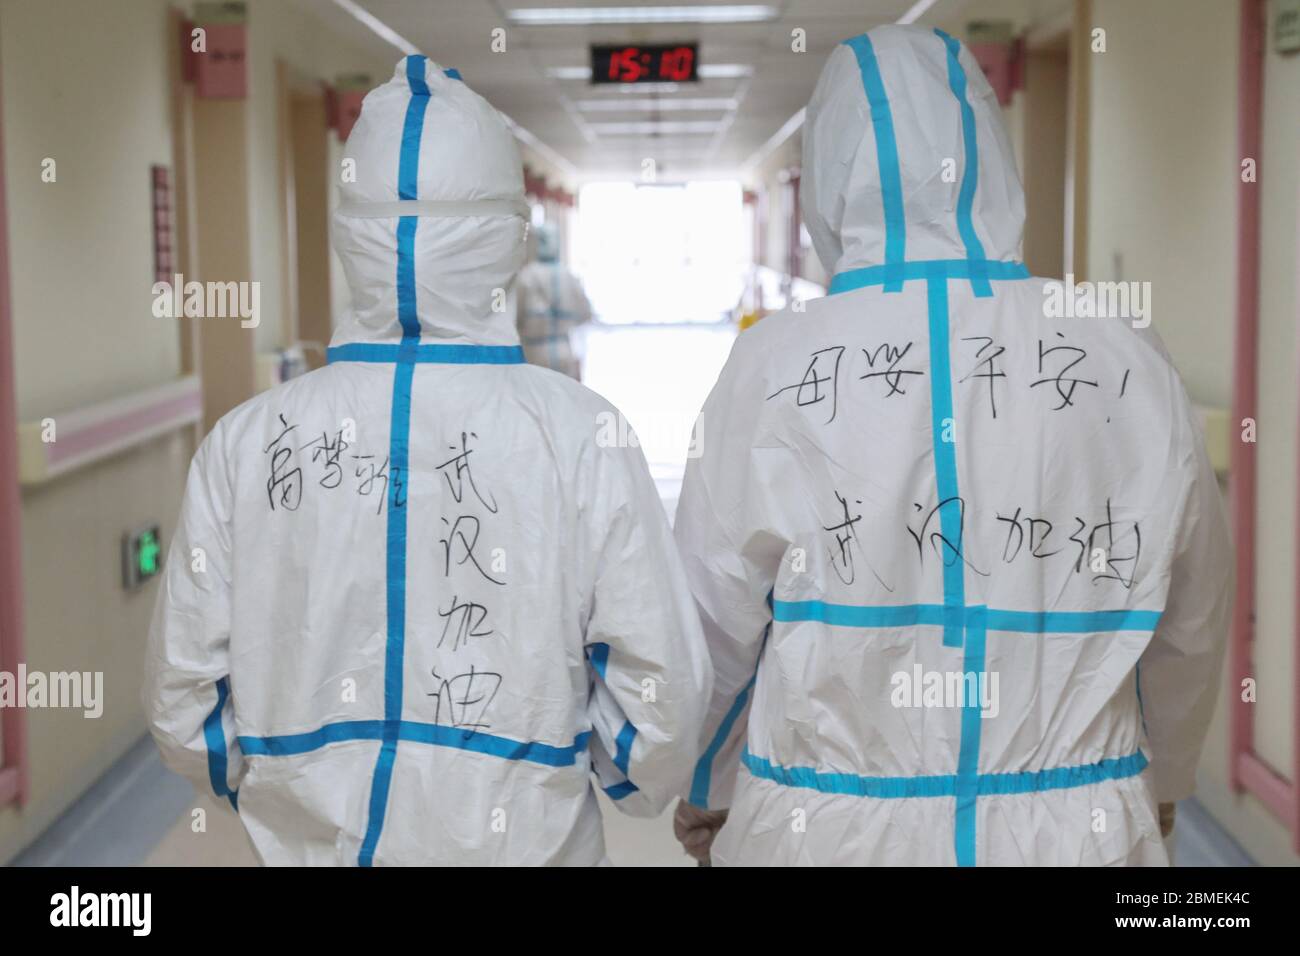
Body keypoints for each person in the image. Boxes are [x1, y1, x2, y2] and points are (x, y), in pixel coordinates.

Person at [672, 25, 1229, 866]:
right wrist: (1162, 779)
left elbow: (715, 620)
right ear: (991, 157)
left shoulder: (775, 361)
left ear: (831, 175)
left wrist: (704, 784)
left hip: (823, 831)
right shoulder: (1120, 348)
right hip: (1076, 830)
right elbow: (1190, 613)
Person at [143, 56, 711, 866]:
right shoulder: (583, 435)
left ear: (349, 236)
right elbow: (660, 699)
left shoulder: (244, 443)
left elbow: (185, 700)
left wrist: (283, 787)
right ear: (509, 236)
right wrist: (603, 776)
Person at [516, 223, 593, 379]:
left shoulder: (526, 277)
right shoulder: (569, 276)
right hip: (564, 351)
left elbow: (514, 318)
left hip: (534, 353)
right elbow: (586, 314)